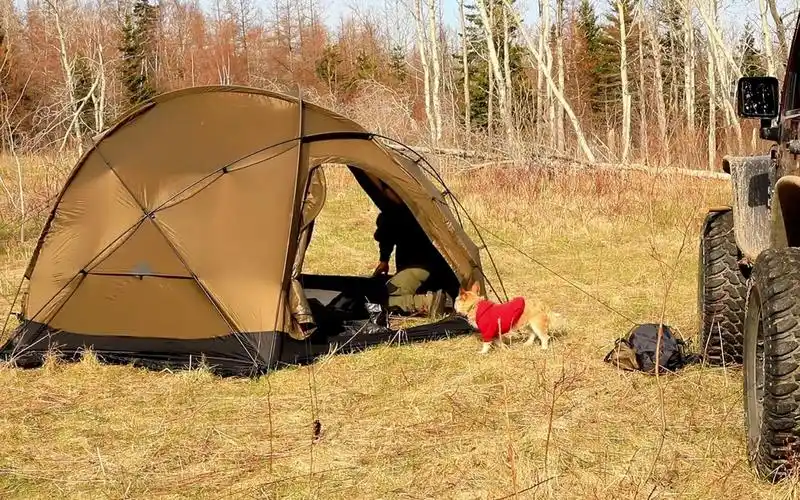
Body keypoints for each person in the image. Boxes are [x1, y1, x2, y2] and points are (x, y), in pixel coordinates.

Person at [371, 200, 454, 318]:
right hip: (440, 269)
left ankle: (429, 302)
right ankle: (441, 296)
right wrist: (384, 259)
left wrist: (384, 259)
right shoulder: (425, 205)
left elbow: (384, 234)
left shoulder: (397, 210)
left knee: (384, 296)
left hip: (418, 267)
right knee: (401, 289)